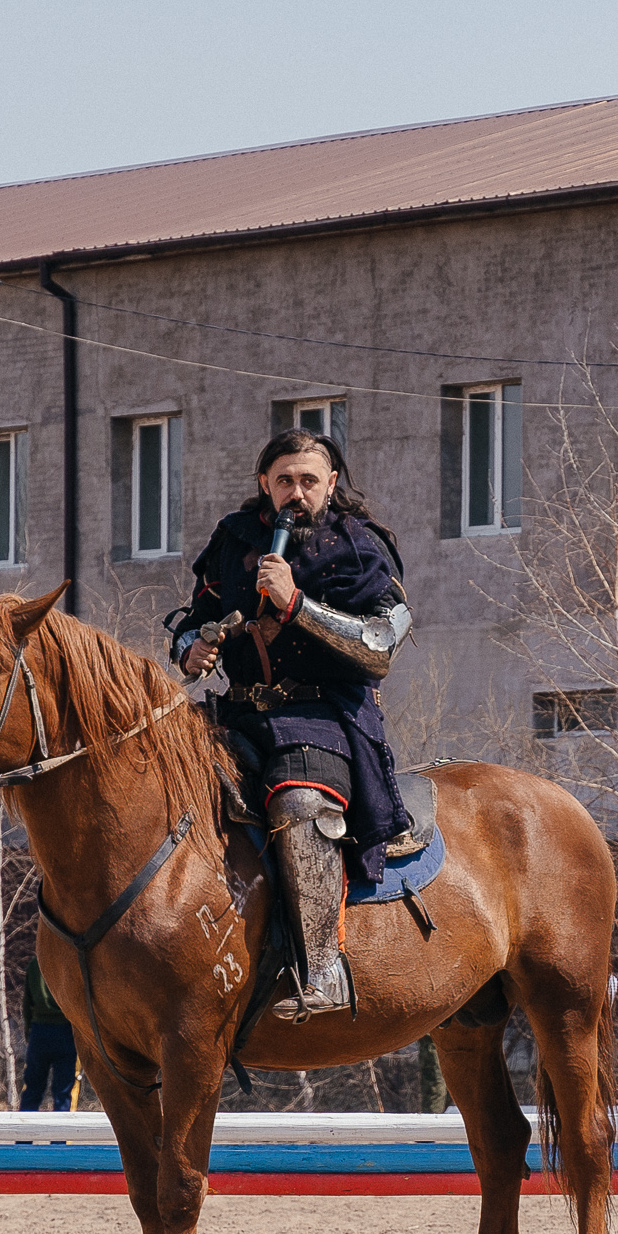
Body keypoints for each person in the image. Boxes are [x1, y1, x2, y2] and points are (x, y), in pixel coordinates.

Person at [170, 430, 412, 1018]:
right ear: (264, 484)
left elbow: (382, 644)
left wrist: (296, 604)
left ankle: (325, 971)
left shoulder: (358, 545)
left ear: (331, 484)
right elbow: (194, 616)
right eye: (284, 480)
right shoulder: (235, 537)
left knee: (301, 805)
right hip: (237, 712)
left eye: (308, 480)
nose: (295, 492)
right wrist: (190, 648)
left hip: (324, 715)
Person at [17, 954, 76, 1113]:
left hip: (39, 1030)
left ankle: (24, 1136)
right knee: (63, 1092)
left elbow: (27, 1003)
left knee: (32, 1089)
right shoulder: (71, 961)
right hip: (66, 1031)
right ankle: (58, 1137)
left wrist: (29, 1032)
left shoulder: (35, 963)